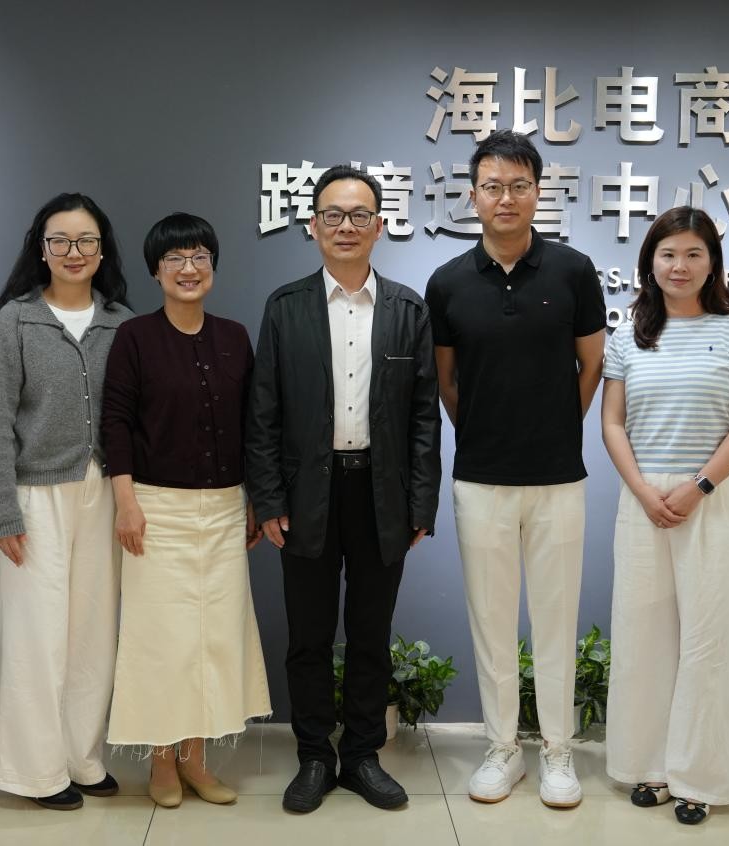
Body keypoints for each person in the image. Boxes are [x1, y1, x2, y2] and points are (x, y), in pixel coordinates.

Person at [246, 165, 440, 813]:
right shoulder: (286, 307)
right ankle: (312, 755)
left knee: (369, 632)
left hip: (381, 495)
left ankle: (360, 755)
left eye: (359, 215)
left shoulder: (407, 309)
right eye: (333, 215)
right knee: (307, 633)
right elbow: (263, 412)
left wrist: (420, 503)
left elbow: (423, 417)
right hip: (306, 493)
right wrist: (268, 500)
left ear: (379, 226)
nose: (346, 226)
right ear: (313, 226)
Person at [423, 129, 605, 807]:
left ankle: (557, 751)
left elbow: (591, 365)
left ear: (537, 192)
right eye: (493, 186)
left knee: (556, 620)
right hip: (480, 479)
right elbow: (446, 381)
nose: (506, 198)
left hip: (558, 478)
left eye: (519, 185)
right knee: (491, 622)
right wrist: (479, 432)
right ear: (473, 195)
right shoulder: (447, 282)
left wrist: (555, 426)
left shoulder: (573, 270)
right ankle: (503, 748)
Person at [601, 206, 729, 825]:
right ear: (650, 261)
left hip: (713, 499)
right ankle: (649, 766)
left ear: (712, 264)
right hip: (643, 501)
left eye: (694, 254)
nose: (680, 265)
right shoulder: (628, 336)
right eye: (668, 253)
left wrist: (698, 486)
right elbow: (612, 422)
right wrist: (644, 491)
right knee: (643, 635)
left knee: (710, 639)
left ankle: (700, 776)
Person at [102, 213, 271, 808]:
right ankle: (161, 762)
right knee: (162, 640)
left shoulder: (234, 337)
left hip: (223, 510)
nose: (188, 268)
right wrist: (126, 502)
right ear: (156, 270)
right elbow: (115, 423)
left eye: (200, 256)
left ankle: (196, 760)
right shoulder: (135, 337)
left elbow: (253, 426)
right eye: (175, 259)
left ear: (213, 266)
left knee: (213, 639)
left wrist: (254, 498)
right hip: (156, 510)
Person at [0, 192, 133, 810]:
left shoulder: (120, 323)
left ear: (102, 250)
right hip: (34, 494)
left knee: (93, 631)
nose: (74, 252)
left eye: (86, 240)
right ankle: (35, 772)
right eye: (60, 240)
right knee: (35, 635)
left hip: (104, 491)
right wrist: (1, 511)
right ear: (41, 250)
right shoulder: (16, 320)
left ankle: (82, 759)